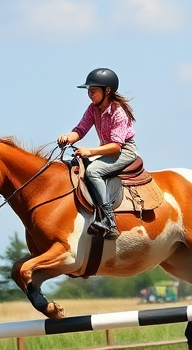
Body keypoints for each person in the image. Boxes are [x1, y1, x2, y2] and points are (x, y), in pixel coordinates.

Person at [57, 68, 138, 240]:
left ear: (107, 91)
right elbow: (80, 130)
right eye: (88, 91)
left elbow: (116, 146)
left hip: (124, 151)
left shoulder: (118, 112)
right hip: (107, 149)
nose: (89, 94)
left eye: (93, 91)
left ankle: (109, 221)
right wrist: (67, 138)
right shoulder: (93, 108)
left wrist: (90, 151)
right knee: (75, 163)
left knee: (93, 171)